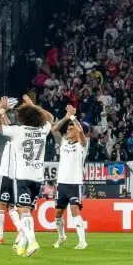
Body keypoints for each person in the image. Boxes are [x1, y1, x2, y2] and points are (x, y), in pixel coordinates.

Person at [0, 94, 52, 257]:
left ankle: (32, 242)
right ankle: (22, 244)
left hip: (23, 177)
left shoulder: (18, 131)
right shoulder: (43, 130)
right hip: (38, 177)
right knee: (28, 212)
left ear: (22, 118)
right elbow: (50, 117)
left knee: (23, 210)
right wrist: (33, 105)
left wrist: (2, 110)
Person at [50, 105, 89, 250]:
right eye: (68, 128)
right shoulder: (63, 143)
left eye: (70, 128)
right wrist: (66, 117)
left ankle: (82, 241)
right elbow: (54, 129)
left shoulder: (82, 145)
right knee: (58, 214)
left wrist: (73, 117)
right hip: (62, 184)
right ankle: (61, 237)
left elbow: (80, 131)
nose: (68, 130)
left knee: (74, 210)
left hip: (75, 183)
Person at [0, 97, 20, 245]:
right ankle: (20, 229)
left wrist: (2, 110)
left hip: (6, 173)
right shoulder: (19, 134)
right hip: (16, 175)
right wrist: (2, 111)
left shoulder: (14, 134)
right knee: (11, 207)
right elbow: (7, 124)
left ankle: (1, 236)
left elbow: (1, 125)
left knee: (1, 205)